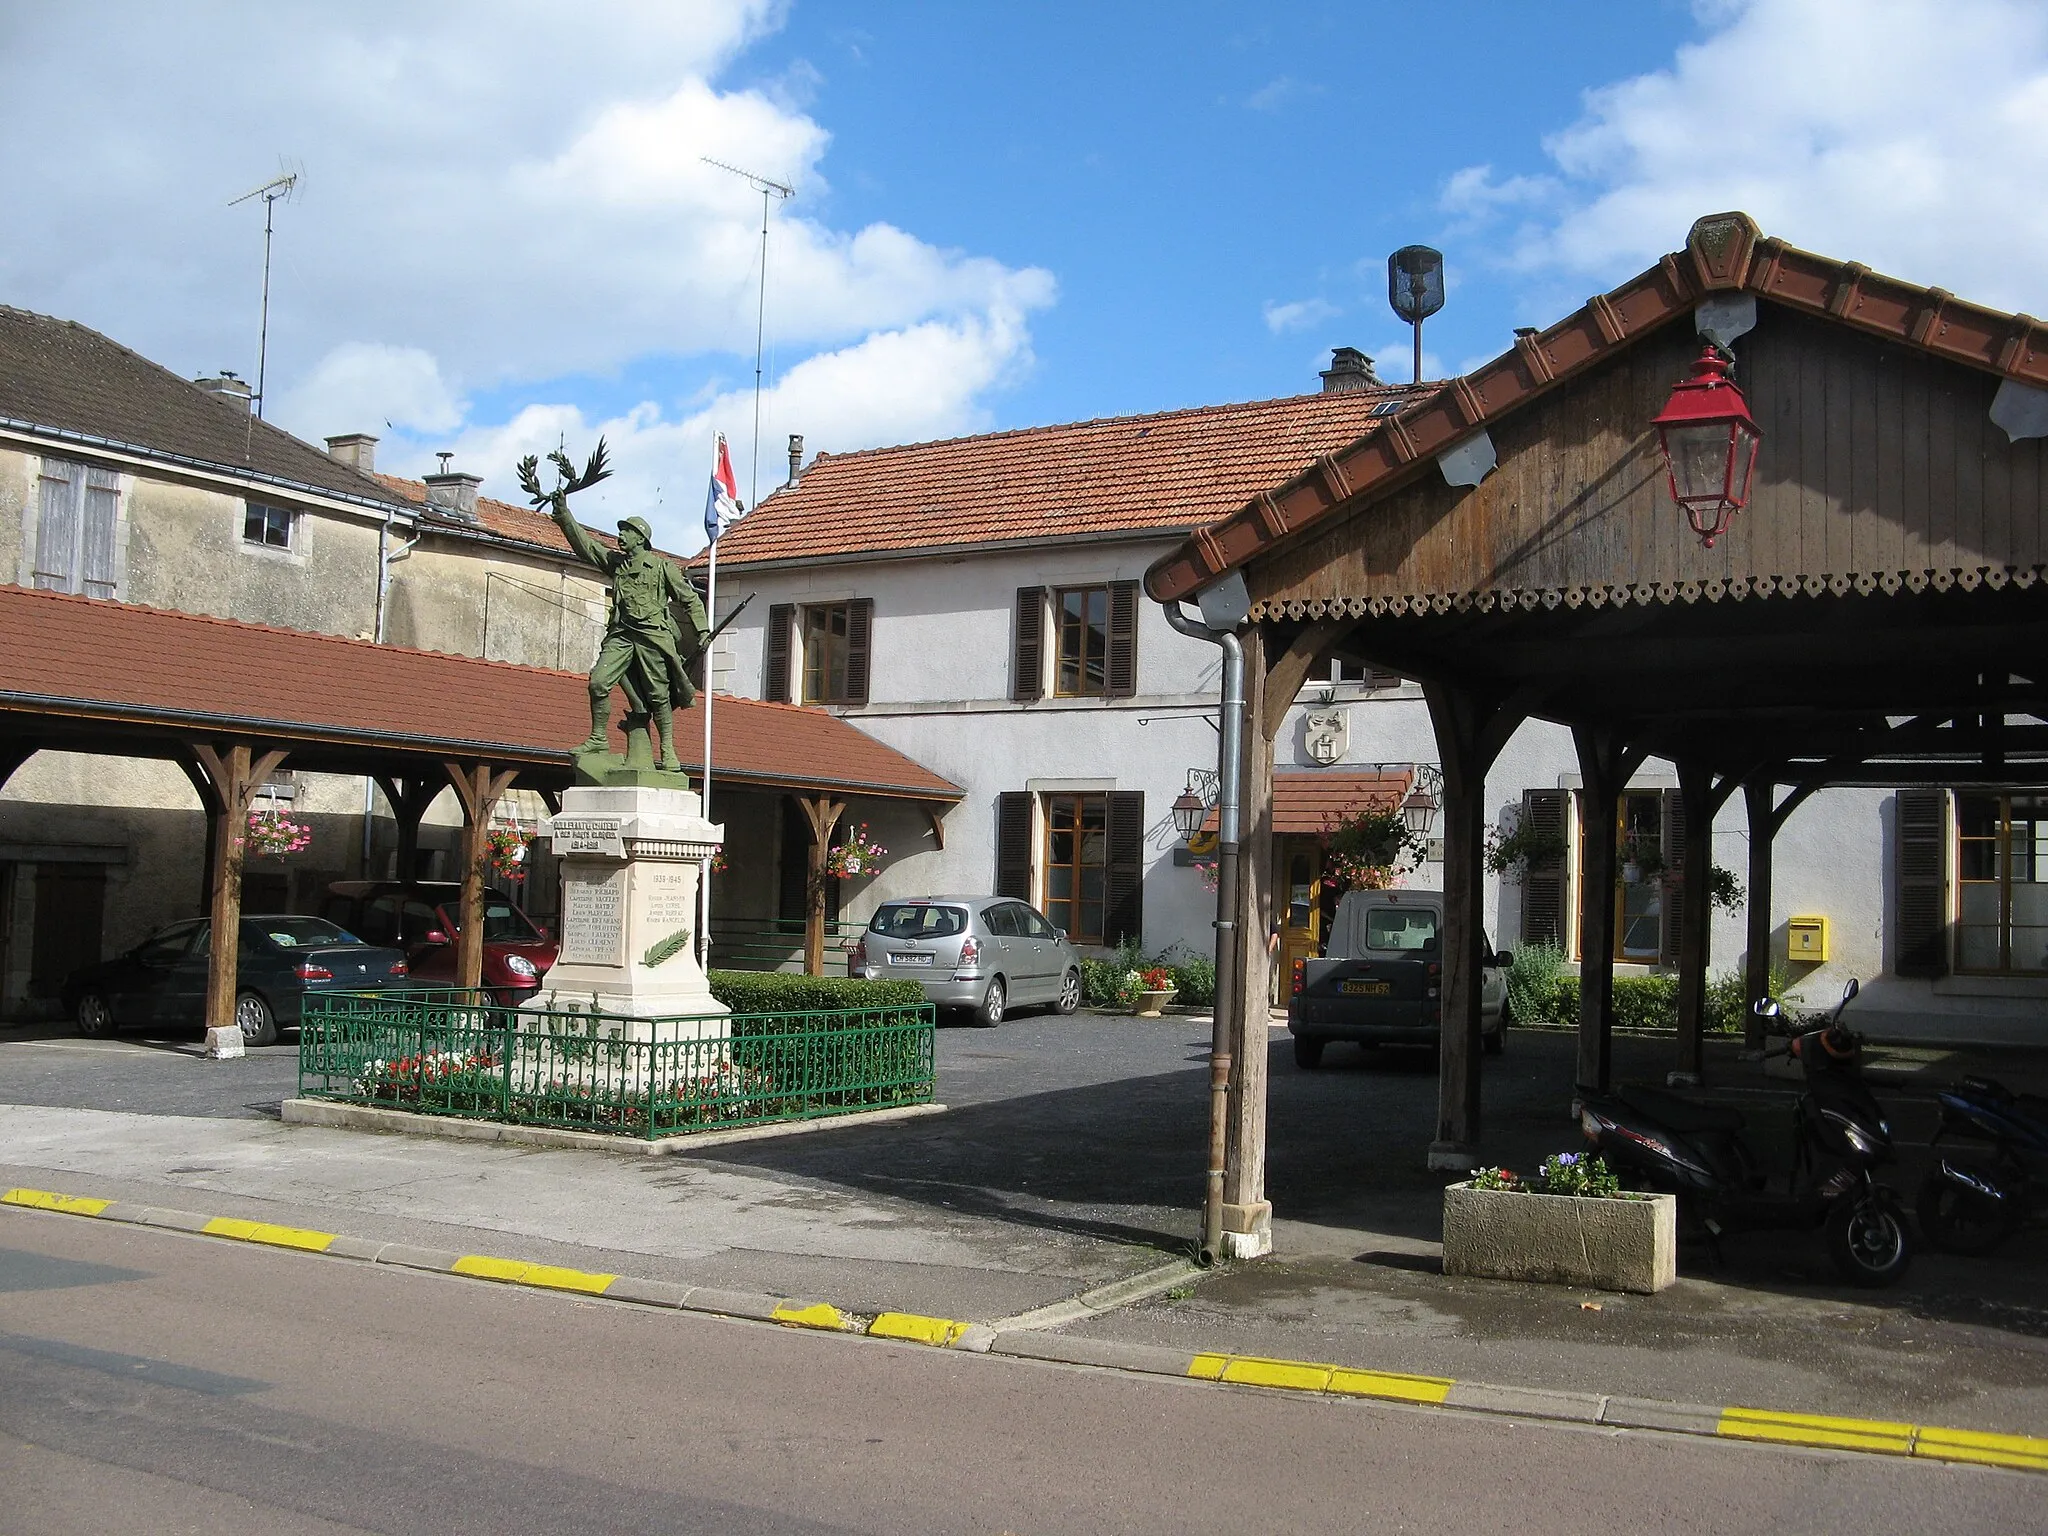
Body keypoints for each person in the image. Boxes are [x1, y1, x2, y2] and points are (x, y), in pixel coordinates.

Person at [551, 509, 711, 774]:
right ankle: (599, 738)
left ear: (640, 538)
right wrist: (563, 515)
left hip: (652, 636)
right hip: (622, 634)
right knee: (598, 683)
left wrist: (702, 631)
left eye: (627, 531)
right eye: (621, 530)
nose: (620, 535)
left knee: (658, 695)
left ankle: (668, 749)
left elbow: (690, 598)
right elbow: (586, 546)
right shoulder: (617, 563)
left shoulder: (661, 567)